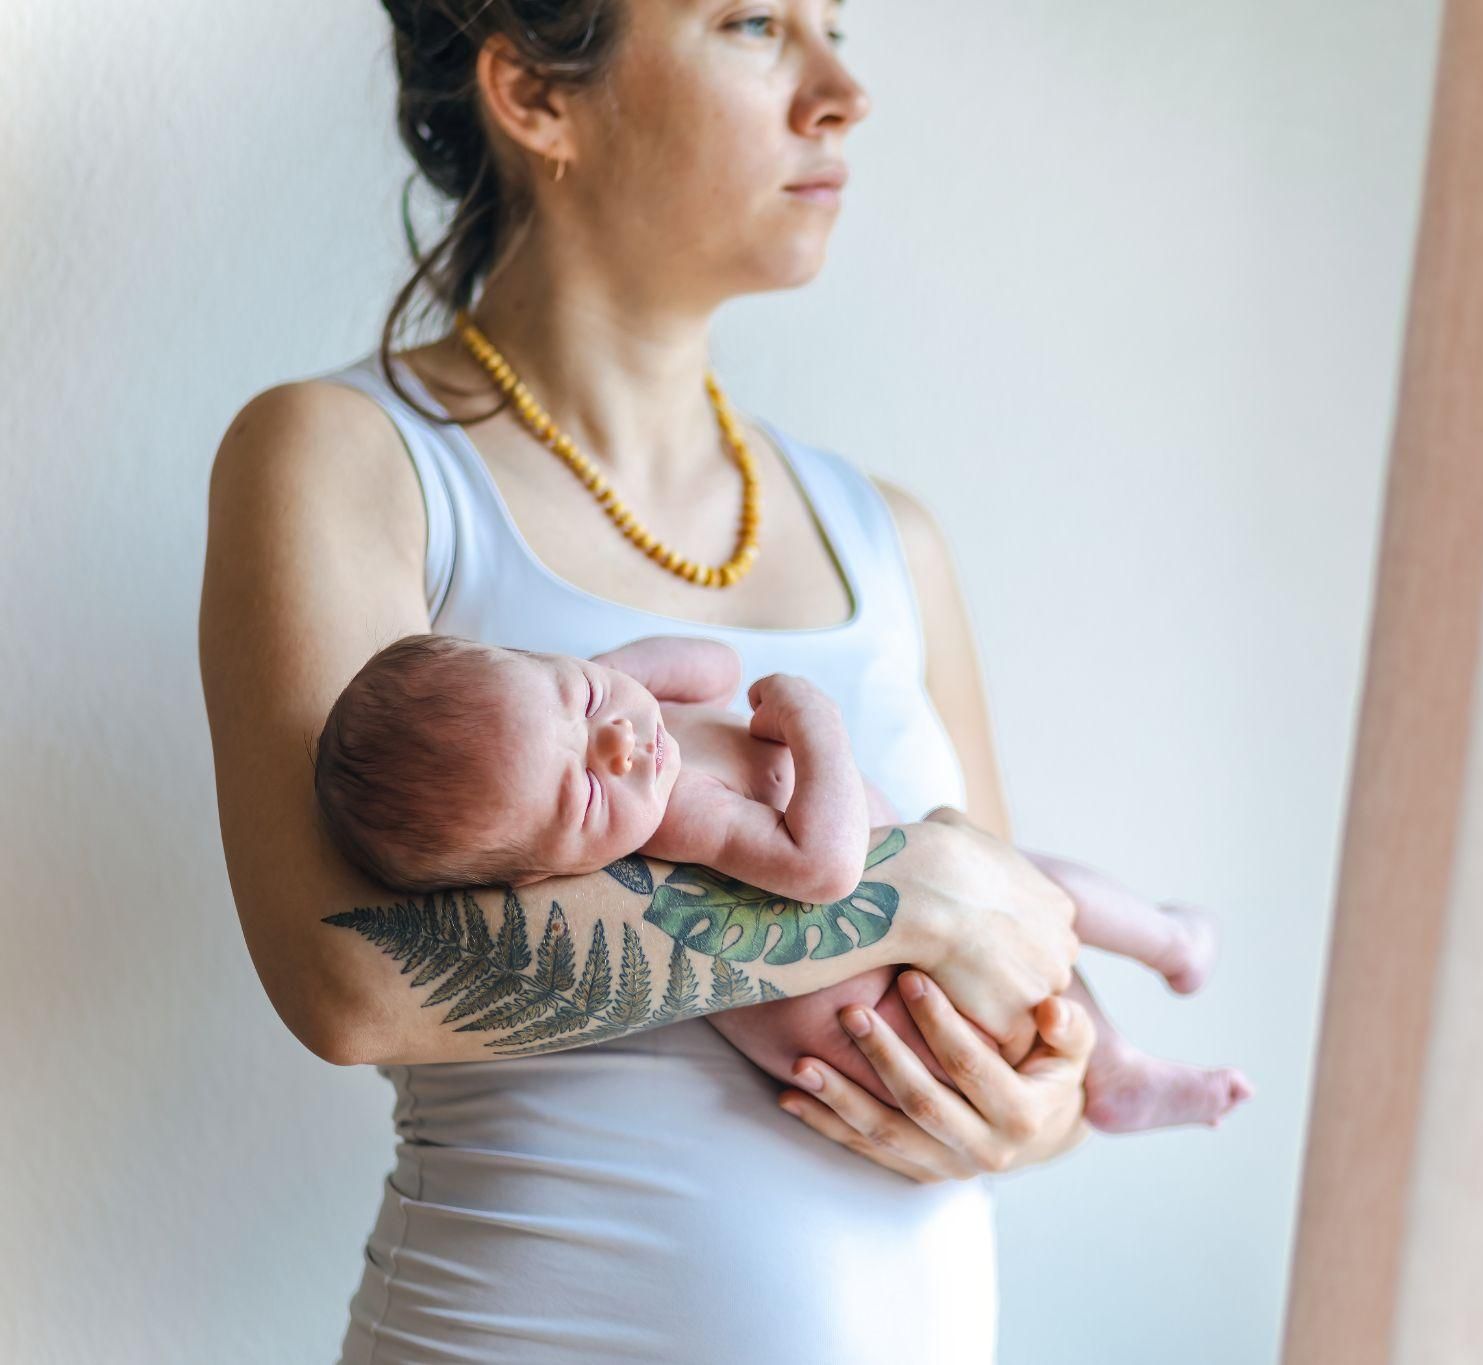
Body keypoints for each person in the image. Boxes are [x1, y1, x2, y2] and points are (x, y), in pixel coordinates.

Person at [197, 2, 1107, 1358]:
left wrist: (1041, 1106)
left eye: (837, 25)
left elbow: (1020, 942)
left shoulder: (893, 536)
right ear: (534, 93)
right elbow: (352, 976)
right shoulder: (346, 457)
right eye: (752, 22)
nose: (843, 89)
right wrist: (893, 896)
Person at [311, 631, 1253, 1132]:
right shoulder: (680, 819)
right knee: (1023, 894)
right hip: (882, 1009)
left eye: (583, 703)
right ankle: (1152, 983)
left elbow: (711, 667)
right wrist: (816, 726)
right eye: (589, 787)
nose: (623, 744)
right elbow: (826, 867)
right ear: (551, 872)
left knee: (1022, 891)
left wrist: (613, 676)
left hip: (929, 964)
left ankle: (1127, 1044)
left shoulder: (616, 720)